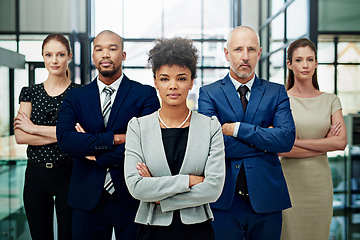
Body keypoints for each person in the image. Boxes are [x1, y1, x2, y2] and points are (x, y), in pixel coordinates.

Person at [56, 30, 160, 240]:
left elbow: (147, 145)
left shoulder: (145, 94)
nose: (105, 54)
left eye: (112, 49)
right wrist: (115, 139)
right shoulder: (76, 96)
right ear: (93, 56)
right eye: (99, 49)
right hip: (86, 198)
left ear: (123, 55)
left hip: (133, 195)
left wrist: (95, 153)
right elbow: (66, 140)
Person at [198, 26, 296, 240]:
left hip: (267, 198)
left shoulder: (276, 91)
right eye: (238, 49)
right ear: (226, 53)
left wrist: (237, 129)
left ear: (259, 53)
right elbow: (211, 144)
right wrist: (265, 141)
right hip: (223, 199)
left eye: (251, 49)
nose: (245, 57)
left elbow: (286, 140)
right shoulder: (209, 93)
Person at [124, 37, 226, 240]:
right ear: (155, 82)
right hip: (152, 229)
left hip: (197, 230)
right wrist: (189, 180)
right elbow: (136, 187)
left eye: (181, 78)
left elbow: (213, 189)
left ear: (191, 82)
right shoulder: (138, 127)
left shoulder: (210, 126)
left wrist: (161, 195)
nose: (173, 85)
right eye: (164, 79)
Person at [278, 38, 347, 240]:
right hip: (289, 184)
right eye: (299, 60)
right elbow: (280, 149)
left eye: (310, 59)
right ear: (289, 64)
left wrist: (295, 141)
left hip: (320, 185)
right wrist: (324, 144)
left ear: (316, 63)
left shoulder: (331, 100)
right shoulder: (280, 99)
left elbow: (341, 143)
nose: (305, 65)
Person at [14, 33, 80, 240]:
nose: (54, 60)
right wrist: (64, 134)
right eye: (49, 55)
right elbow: (20, 136)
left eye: (60, 54)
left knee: (68, 236)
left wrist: (33, 128)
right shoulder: (29, 92)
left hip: (69, 174)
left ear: (69, 56)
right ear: (43, 57)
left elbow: (80, 136)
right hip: (36, 175)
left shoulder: (80, 93)